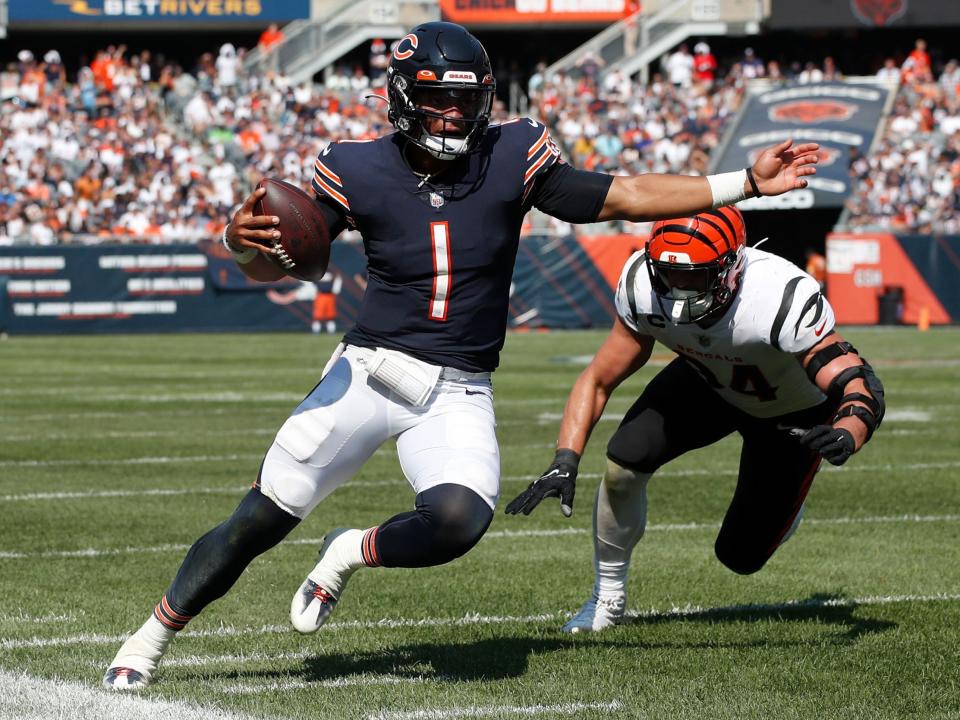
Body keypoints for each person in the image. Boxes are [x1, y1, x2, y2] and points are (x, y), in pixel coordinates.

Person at [102, 21, 819, 690]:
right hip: (368, 371)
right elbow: (284, 260)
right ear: (403, 98)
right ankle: (148, 640)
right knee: (260, 518)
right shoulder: (351, 164)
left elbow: (623, 195)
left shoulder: (512, 152)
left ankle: (349, 551)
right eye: (438, 99)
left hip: (457, 387)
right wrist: (242, 243)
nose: (452, 115)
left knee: (458, 521)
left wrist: (747, 184)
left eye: (466, 100)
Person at [505, 206, 885, 633]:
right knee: (624, 462)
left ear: (732, 268)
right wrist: (565, 459)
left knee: (740, 556)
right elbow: (597, 380)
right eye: (669, 273)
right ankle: (606, 597)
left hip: (790, 412)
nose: (679, 289)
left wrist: (849, 432)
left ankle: (785, 509)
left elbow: (857, 383)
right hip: (706, 382)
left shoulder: (778, 294)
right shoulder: (641, 284)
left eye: (695, 275)